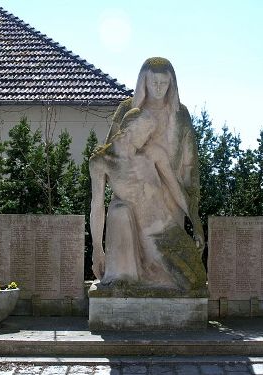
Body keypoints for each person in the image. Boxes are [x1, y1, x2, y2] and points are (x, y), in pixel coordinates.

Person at [90, 57, 206, 295]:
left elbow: (188, 165)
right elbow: (114, 153)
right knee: (121, 213)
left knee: (192, 279)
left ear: (172, 84)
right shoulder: (126, 109)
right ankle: (127, 275)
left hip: (165, 207)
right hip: (131, 203)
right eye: (154, 82)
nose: (159, 88)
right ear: (143, 82)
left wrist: (194, 218)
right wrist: (96, 247)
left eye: (165, 83)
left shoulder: (179, 115)